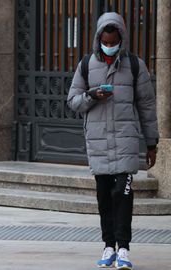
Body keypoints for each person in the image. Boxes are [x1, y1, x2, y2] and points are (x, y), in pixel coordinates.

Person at [67, 12, 159, 270]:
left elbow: (147, 107)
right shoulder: (86, 65)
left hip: (126, 142)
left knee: (123, 194)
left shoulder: (136, 65)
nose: (110, 44)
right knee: (104, 197)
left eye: (114, 40)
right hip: (98, 143)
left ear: (122, 38)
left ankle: (124, 249)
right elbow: (73, 102)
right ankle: (108, 246)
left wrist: (152, 143)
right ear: (99, 39)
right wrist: (91, 96)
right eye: (105, 40)